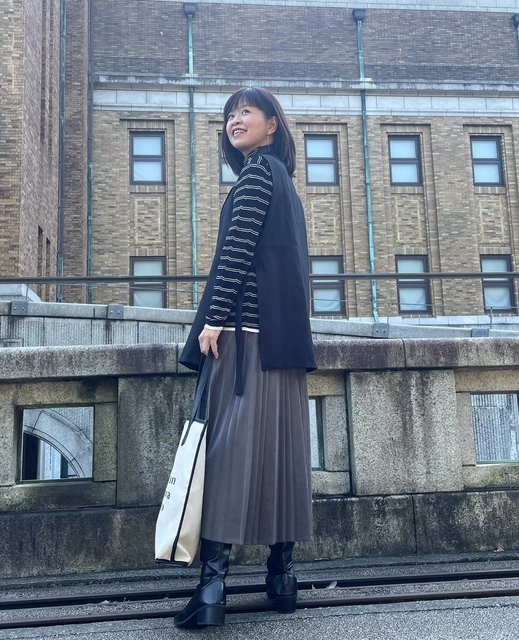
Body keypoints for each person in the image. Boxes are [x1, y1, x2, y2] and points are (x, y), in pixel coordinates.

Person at [176, 87, 316, 629]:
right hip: (283, 341)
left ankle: (212, 587)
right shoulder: (284, 183)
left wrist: (213, 319)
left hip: (245, 338)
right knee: (282, 456)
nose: (235, 120)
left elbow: (236, 250)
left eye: (246, 112)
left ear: (272, 123)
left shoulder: (256, 175)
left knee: (227, 453)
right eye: (230, 114)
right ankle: (282, 578)